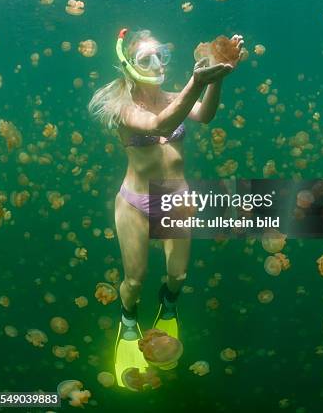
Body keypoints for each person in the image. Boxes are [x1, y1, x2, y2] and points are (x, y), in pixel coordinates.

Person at [89, 27, 243, 388]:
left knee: (179, 276)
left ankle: (169, 304)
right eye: (146, 58)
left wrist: (216, 76)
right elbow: (160, 124)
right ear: (129, 65)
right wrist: (197, 80)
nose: (157, 63)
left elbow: (203, 115)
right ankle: (128, 319)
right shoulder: (121, 107)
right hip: (135, 202)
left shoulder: (175, 95)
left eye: (162, 55)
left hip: (175, 197)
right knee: (135, 278)